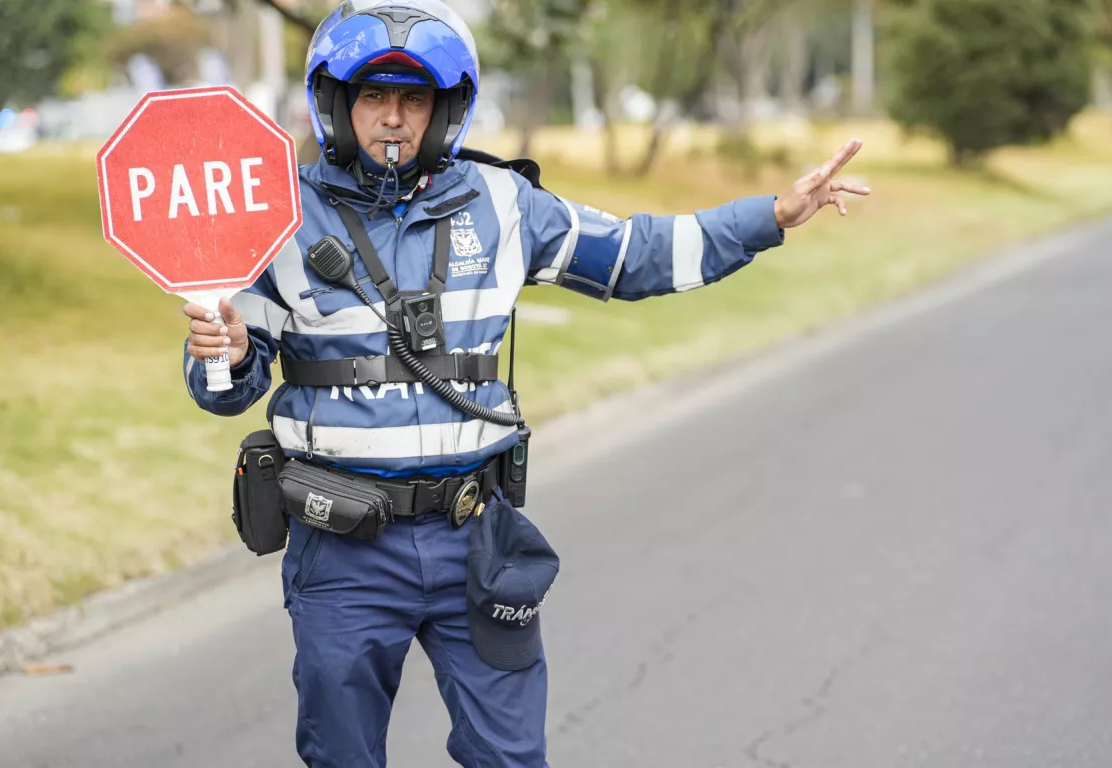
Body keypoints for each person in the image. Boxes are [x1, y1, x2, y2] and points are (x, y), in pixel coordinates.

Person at [180, 2, 869, 766]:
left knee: (509, 758)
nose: (393, 118)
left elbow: (635, 254)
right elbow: (223, 388)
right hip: (343, 552)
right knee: (340, 756)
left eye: (414, 99)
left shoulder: (504, 204)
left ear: (447, 111)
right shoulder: (275, 216)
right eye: (374, 96)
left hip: (475, 535)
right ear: (336, 103)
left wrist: (770, 215)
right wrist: (227, 349)